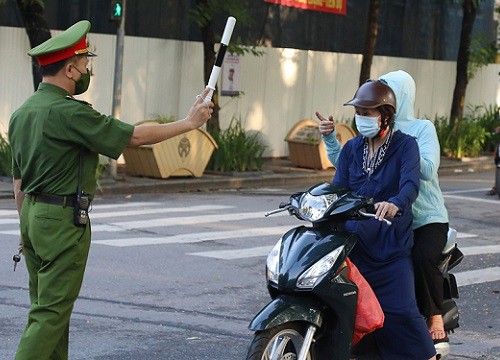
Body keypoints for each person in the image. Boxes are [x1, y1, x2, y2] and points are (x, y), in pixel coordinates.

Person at [9, 20, 213, 360]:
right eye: (85, 62)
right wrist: (189, 123)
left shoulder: (22, 113)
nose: (88, 68)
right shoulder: (69, 112)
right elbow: (133, 137)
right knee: (50, 315)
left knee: (48, 311)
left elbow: (18, 181)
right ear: (71, 68)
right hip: (60, 221)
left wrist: (24, 230)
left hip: (31, 215)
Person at [319, 70, 450, 342]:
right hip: (378, 216)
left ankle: (433, 313)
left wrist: (401, 148)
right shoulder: (373, 132)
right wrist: (332, 139)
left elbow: (427, 170)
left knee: (421, 257)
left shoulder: (418, 130)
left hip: (423, 217)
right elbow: (348, 165)